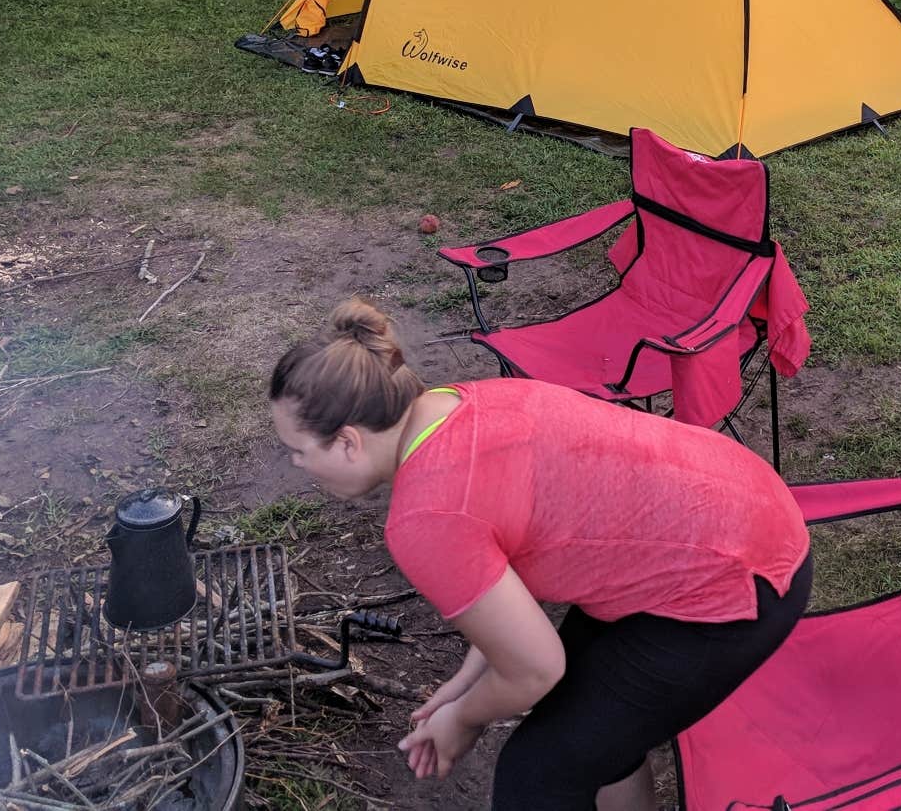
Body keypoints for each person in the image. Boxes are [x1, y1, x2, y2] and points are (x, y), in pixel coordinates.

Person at [269, 299, 813, 810]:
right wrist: (459, 690)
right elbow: (511, 593)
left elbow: (535, 668)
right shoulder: (458, 404)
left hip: (737, 582)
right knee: (587, 736)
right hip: (740, 509)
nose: (298, 467)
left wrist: (463, 719)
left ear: (347, 441)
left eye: (299, 451)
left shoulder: (425, 519)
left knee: (537, 777)